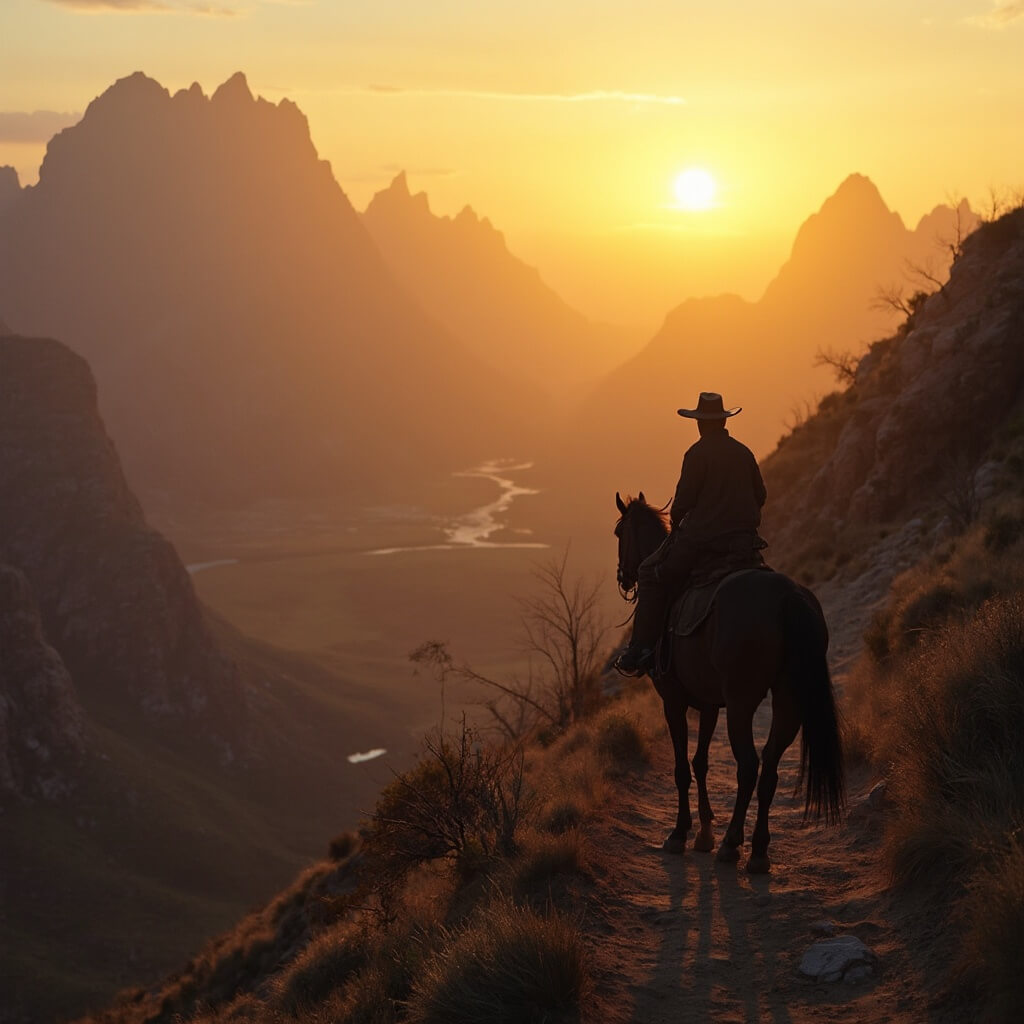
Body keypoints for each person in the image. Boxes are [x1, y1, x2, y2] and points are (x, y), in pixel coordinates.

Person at [615, 391, 767, 675]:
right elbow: (760, 494)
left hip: (704, 544)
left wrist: (685, 523)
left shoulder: (696, 454)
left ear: (700, 424)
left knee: (648, 572)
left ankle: (641, 650)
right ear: (722, 421)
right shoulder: (744, 452)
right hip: (744, 544)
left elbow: (681, 505)